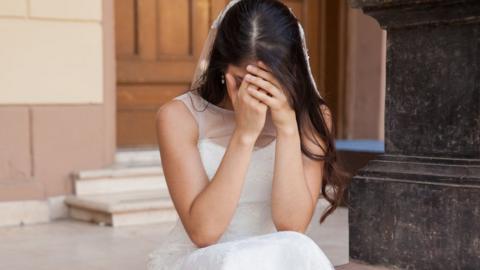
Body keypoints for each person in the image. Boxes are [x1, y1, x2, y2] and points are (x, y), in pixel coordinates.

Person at [148, 0, 349, 269]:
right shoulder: (179, 118)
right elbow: (204, 233)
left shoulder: (312, 117)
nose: (256, 93)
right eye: (245, 81)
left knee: (300, 249)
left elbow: (292, 227)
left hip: (275, 258)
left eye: (271, 80)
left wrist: (287, 128)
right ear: (222, 69)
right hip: (210, 258)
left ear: (291, 72)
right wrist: (244, 135)